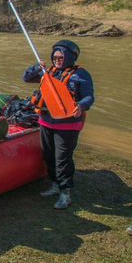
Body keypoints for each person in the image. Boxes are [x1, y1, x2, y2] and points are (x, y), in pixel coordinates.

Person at [23, 39, 94, 210]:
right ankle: (55, 184)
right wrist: (36, 67)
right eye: (55, 57)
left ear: (70, 57)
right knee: (48, 155)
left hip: (68, 125)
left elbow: (89, 97)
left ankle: (65, 193)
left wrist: (81, 106)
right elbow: (26, 78)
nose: (57, 60)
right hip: (46, 121)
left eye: (60, 57)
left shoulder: (81, 75)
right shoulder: (49, 72)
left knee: (62, 159)